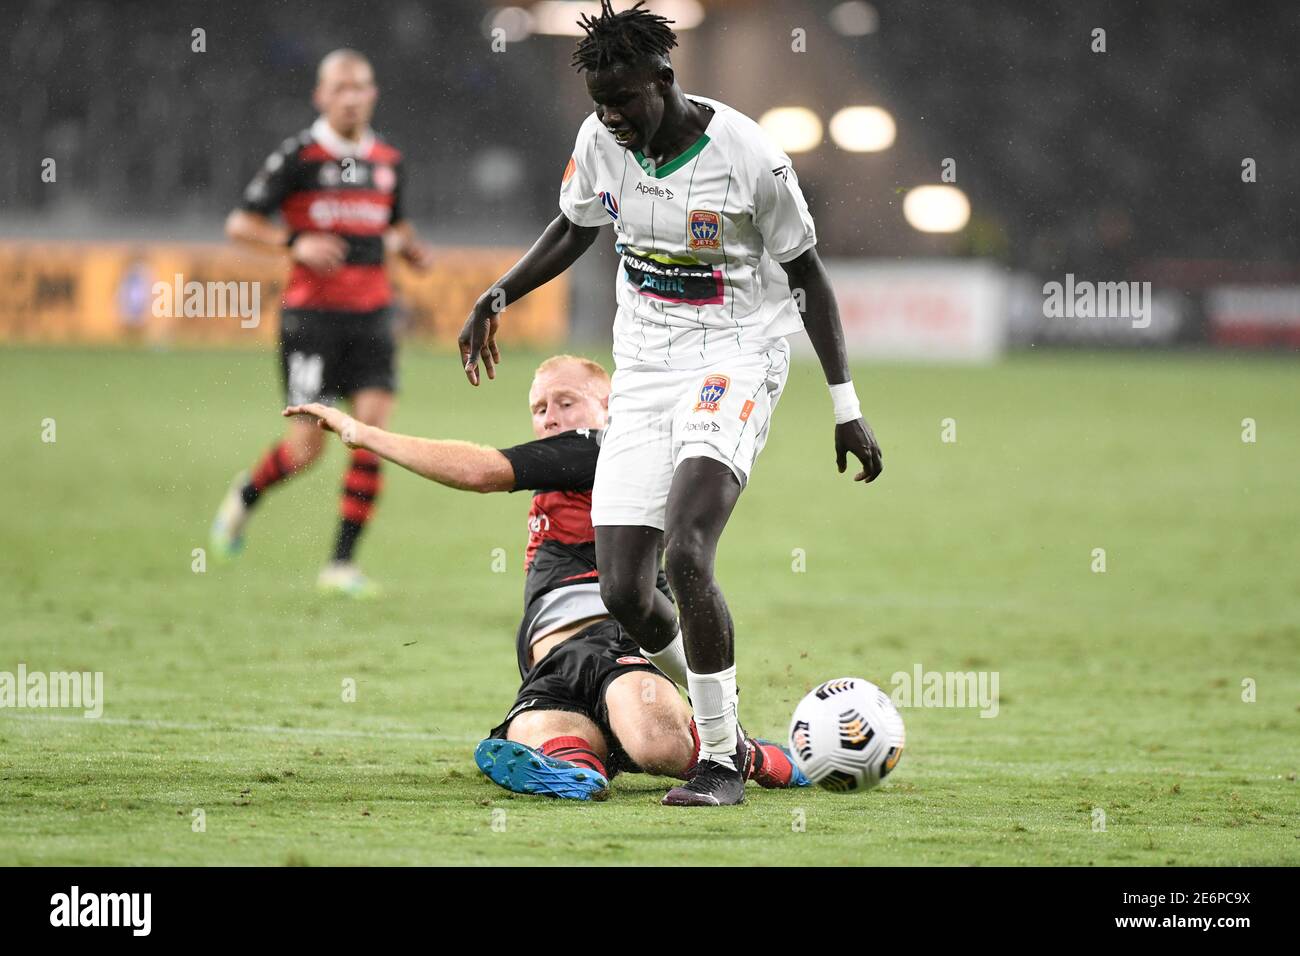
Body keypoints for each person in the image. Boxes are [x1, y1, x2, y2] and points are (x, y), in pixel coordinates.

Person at [456, 2, 883, 805]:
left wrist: (845, 405)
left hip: (734, 359)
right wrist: (499, 292)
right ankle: (727, 720)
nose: (611, 117)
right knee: (624, 590)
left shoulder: (749, 155)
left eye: (623, 98)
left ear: (664, 78)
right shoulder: (599, 143)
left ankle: (720, 760)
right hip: (646, 369)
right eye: (599, 103)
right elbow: (575, 226)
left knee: (686, 550)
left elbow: (810, 278)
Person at [285, 354, 806, 800]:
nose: (552, 417)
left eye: (567, 401)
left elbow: (481, 471)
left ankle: (744, 752)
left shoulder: (602, 446)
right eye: (540, 408)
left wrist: (362, 432)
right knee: (547, 730)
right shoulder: (566, 464)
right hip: (553, 664)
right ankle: (581, 768)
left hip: (617, 647)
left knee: (658, 745)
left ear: (610, 408)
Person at [210, 48, 435, 597]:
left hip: (374, 316)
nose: (351, 96)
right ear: (321, 96)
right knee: (305, 451)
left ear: (373, 94)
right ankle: (244, 497)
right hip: (311, 320)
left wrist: (409, 249)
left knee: (373, 436)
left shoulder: (388, 160)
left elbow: (395, 223)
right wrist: (295, 242)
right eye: (340, 88)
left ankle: (339, 565)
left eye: (360, 87)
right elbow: (239, 223)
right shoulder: (299, 156)